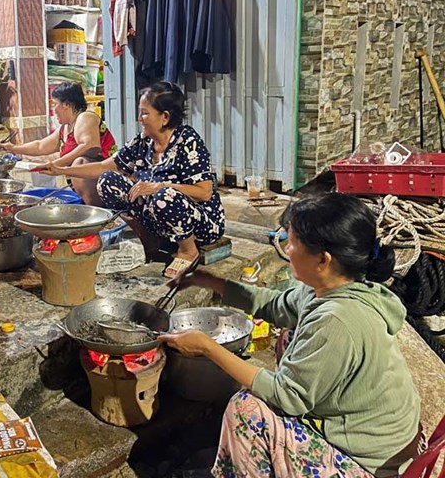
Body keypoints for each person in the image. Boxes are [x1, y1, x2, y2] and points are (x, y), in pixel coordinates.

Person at [160, 192, 422, 477]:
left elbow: (286, 396)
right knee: (287, 339)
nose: (286, 248)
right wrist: (209, 281)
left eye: (293, 241)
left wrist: (208, 348)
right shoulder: (334, 285)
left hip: (369, 462)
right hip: (366, 434)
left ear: (323, 260)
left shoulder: (337, 319)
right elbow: (275, 305)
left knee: (246, 410)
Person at [38, 81, 224, 278]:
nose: (139, 119)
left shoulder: (187, 141)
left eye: (144, 113)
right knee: (107, 181)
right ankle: (149, 239)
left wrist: (160, 186)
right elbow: (104, 166)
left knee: (164, 195)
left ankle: (188, 250)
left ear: (165, 117)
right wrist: (60, 170)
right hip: (159, 217)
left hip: (201, 224)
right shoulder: (143, 142)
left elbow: (204, 192)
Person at [0, 82, 116, 207]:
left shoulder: (85, 117)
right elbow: (40, 146)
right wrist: (13, 148)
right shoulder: (64, 129)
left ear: (67, 104)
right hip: (86, 187)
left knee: (80, 162)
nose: (54, 110)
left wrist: (57, 165)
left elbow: (89, 145)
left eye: (55, 104)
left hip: (108, 181)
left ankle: (101, 215)